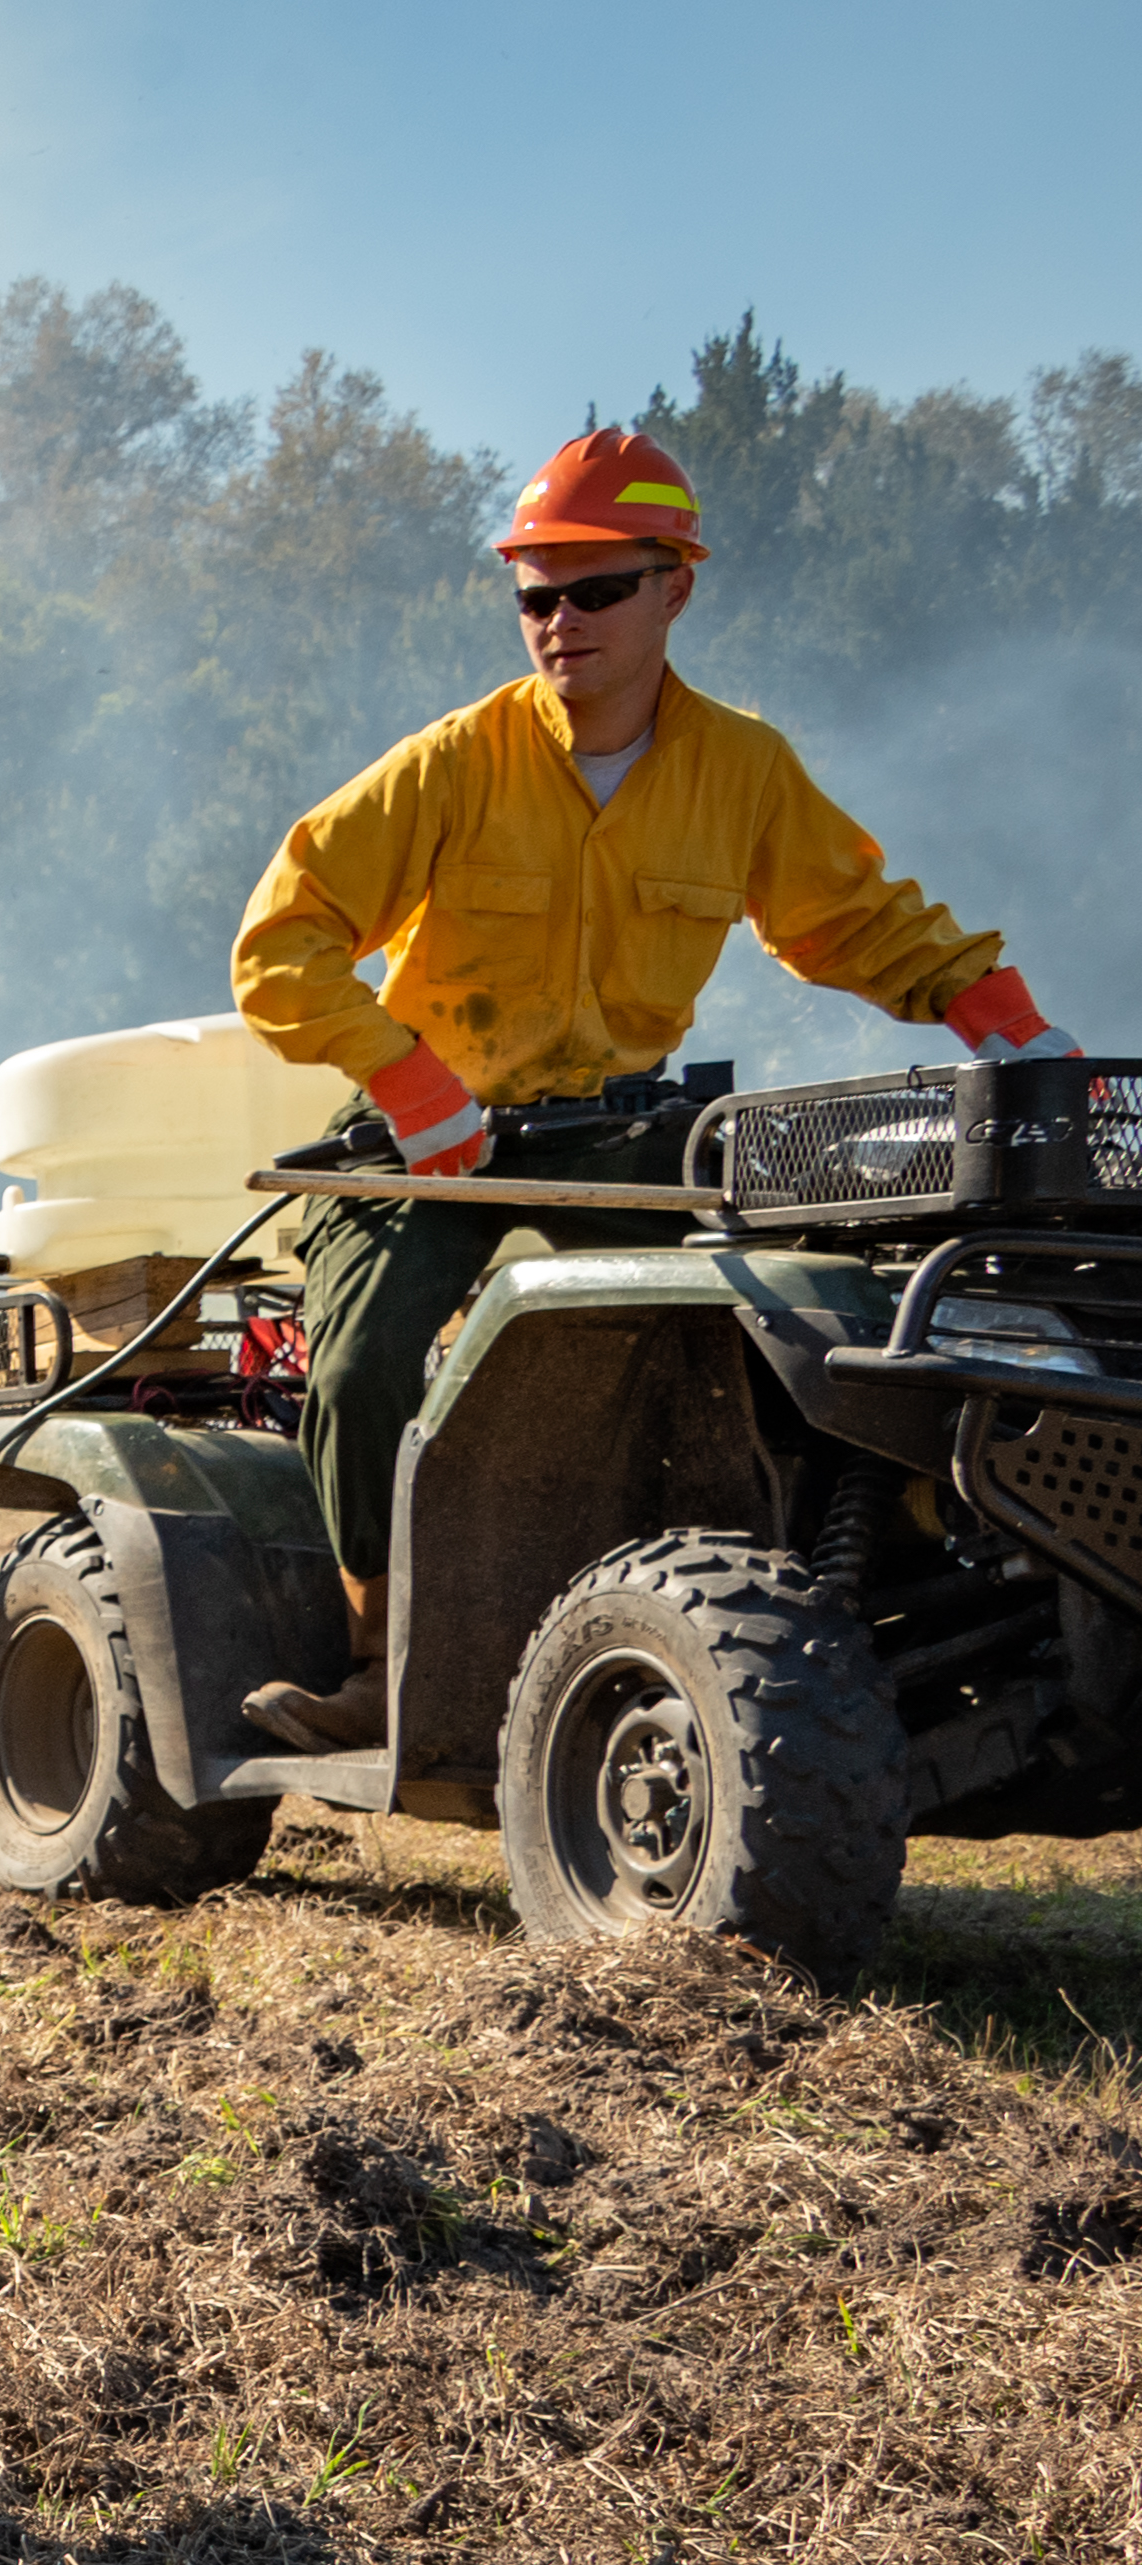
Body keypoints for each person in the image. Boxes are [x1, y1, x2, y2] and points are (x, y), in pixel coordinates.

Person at [230, 431, 1071, 1753]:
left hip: (621, 1131)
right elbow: (278, 945)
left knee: (778, 1326)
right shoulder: (455, 763)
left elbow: (859, 923)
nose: (560, 622)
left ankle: (760, 1631)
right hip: (435, 1130)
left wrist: (1014, 1027)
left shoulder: (743, 770)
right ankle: (379, 1663)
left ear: (676, 588)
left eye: (596, 589)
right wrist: (408, 1079)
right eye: (535, 595)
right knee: (368, 1356)